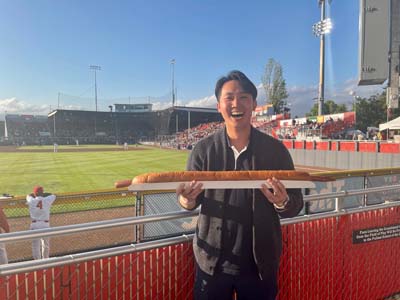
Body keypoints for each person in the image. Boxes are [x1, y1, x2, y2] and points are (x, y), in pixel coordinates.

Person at [176, 70, 304, 300]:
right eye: (229, 97)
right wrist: (186, 200)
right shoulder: (203, 150)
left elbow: (295, 204)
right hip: (211, 262)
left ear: (254, 104)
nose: (237, 103)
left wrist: (282, 201)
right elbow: (188, 201)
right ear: (218, 106)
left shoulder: (276, 151)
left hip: (260, 264)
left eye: (244, 97)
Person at [26, 186, 56, 259]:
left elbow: (28, 195)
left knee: (35, 245)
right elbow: (53, 195)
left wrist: (34, 194)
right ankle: (46, 260)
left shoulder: (31, 200)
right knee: (46, 245)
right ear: (42, 193)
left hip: (34, 225)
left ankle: (37, 262)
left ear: (34, 193)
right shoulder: (47, 199)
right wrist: (43, 194)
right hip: (45, 225)